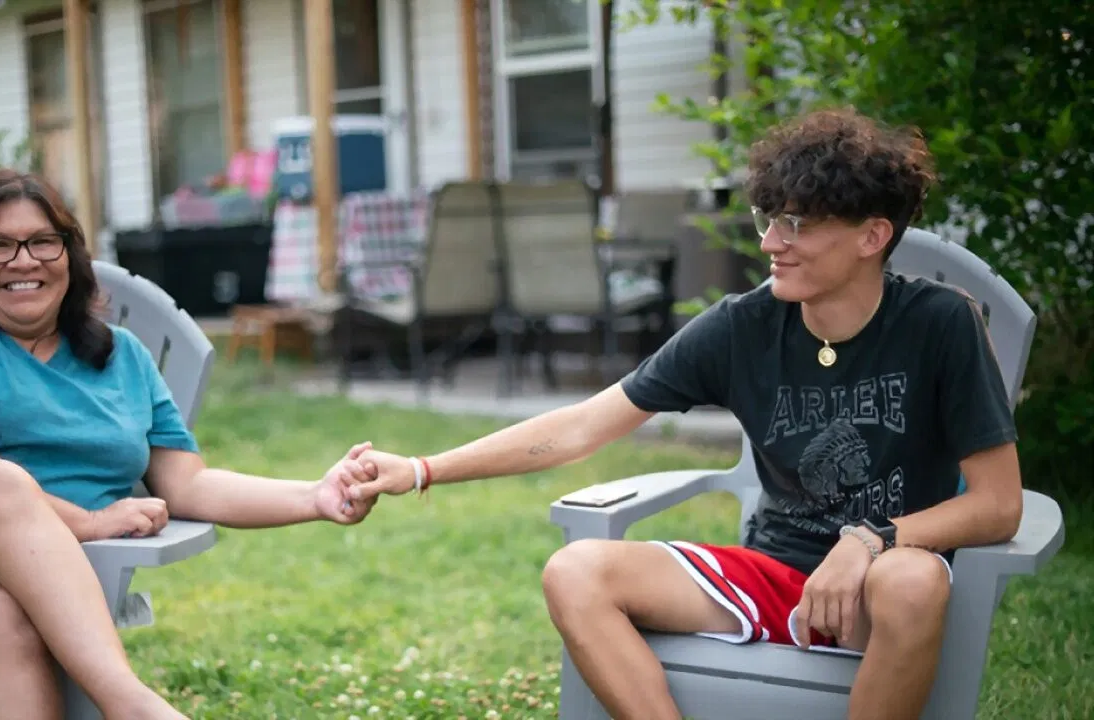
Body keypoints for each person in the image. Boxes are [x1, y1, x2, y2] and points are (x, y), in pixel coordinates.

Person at [344, 108, 1024, 720]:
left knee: (911, 580)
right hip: (773, 577)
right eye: (768, 218)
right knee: (574, 571)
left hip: (881, 590)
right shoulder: (741, 327)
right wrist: (422, 468)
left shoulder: (940, 325)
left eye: (797, 225)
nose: (770, 243)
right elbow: (581, 427)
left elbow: (998, 505)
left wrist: (869, 540)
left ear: (872, 236)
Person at [0, 169, 379, 720]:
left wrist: (315, 495)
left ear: (71, 255)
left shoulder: (124, 356)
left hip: (23, 591)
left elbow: (188, 483)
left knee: (2, 621)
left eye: (43, 242)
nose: (24, 261)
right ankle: (131, 704)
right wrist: (85, 522)